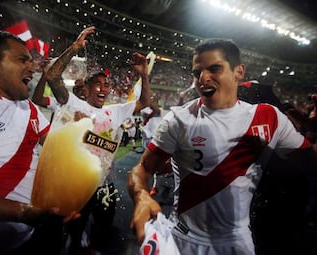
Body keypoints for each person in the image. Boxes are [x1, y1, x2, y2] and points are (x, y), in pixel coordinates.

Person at [127, 38, 317, 255]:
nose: (203, 78)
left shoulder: (268, 117)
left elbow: (310, 161)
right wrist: (141, 196)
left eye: (214, 69)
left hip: (236, 243)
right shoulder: (178, 119)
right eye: (197, 72)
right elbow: (142, 168)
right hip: (181, 240)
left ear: (239, 72)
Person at [0, 30, 79, 255]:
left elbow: (59, 148)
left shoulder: (28, 107)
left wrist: (81, 128)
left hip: (26, 237)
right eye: (22, 60)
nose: (31, 68)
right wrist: (26, 213)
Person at [45, 26, 151, 254]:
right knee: (74, 226)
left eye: (107, 85)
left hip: (106, 186)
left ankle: (93, 248)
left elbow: (144, 104)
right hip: (77, 182)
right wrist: (74, 48)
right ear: (89, 87)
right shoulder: (74, 104)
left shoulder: (115, 111)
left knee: (104, 225)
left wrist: (144, 74)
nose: (104, 88)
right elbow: (52, 76)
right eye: (98, 84)